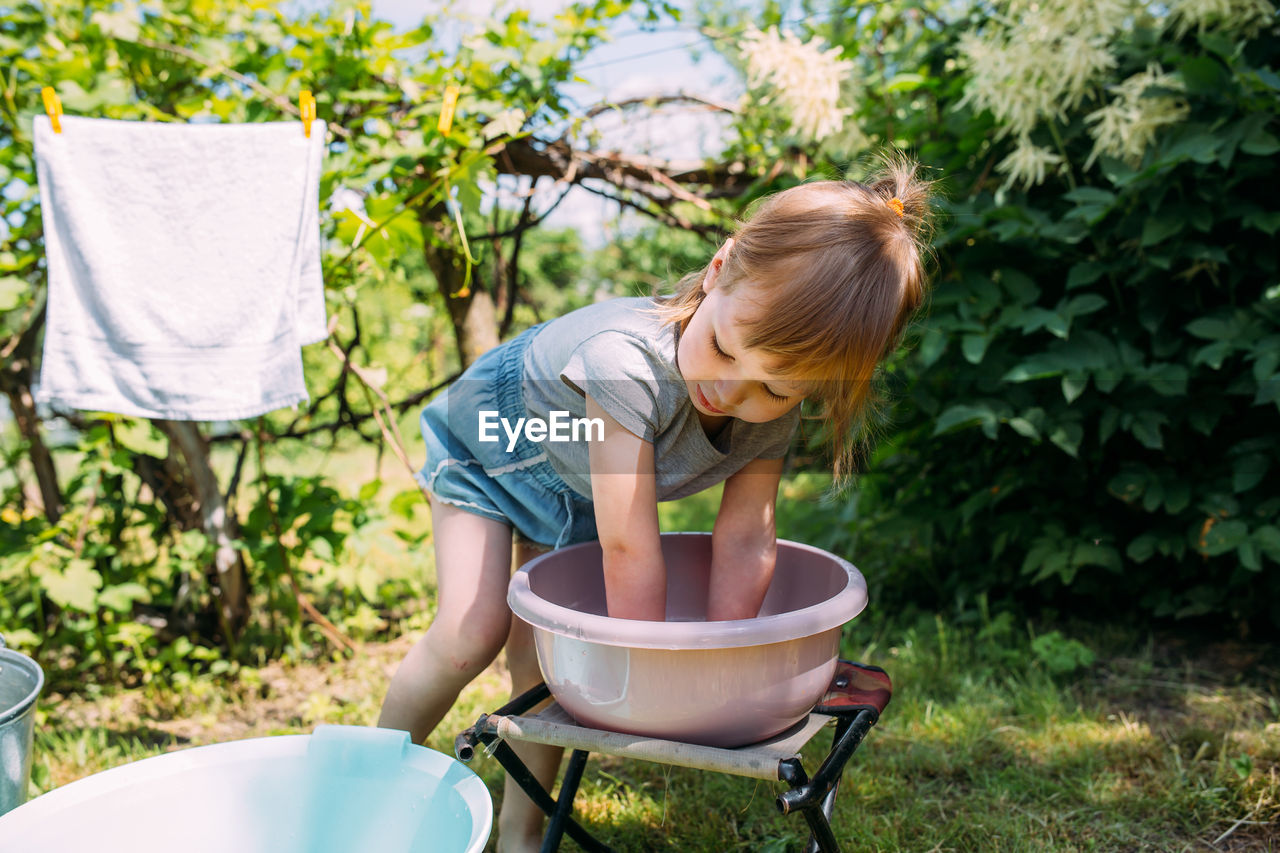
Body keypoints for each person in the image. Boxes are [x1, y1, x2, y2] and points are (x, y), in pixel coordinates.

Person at [378, 155, 934, 852]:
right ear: (719, 269)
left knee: (545, 668)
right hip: (493, 446)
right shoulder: (626, 364)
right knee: (471, 631)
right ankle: (363, 780)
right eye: (725, 350)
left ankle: (522, 836)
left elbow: (745, 539)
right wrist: (651, 672)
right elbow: (630, 544)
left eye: (775, 389)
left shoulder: (773, 400)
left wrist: (721, 666)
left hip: (576, 479)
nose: (734, 393)